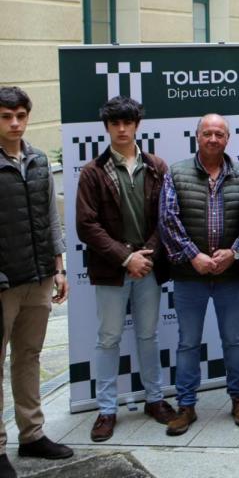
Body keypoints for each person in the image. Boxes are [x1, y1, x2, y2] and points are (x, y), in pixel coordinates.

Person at [76, 96, 176, 442]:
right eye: (115, 123)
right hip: (112, 269)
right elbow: (86, 226)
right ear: (106, 127)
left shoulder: (156, 166)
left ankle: (155, 399)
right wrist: (125, 257)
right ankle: (106, 409)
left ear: (137, 125)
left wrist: (145, 255)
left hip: (148, 265)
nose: (122, 129)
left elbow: (167, 216)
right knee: (109, 339)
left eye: (128, 122)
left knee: (148, 335)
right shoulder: (92, 172)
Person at [158, 114, 239, 436]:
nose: (213, 139)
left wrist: (235, 253)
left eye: (219, 134)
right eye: (207, 133)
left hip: (229, 275)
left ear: (228, 139)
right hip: (190, 275)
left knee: (234, 340)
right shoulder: (177, 172)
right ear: (196, 137)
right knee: (188, 343)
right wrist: (193, 256)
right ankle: (186, 405)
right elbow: (168, 221)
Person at [0, 86, 73, 474]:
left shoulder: (39, 160)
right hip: (3, 281)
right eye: (6, 116)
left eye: (20, 116)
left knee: (28, 357)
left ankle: (32, 435)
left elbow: (50, 219)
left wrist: (58, 267)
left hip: (40, 274)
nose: (14, 123)